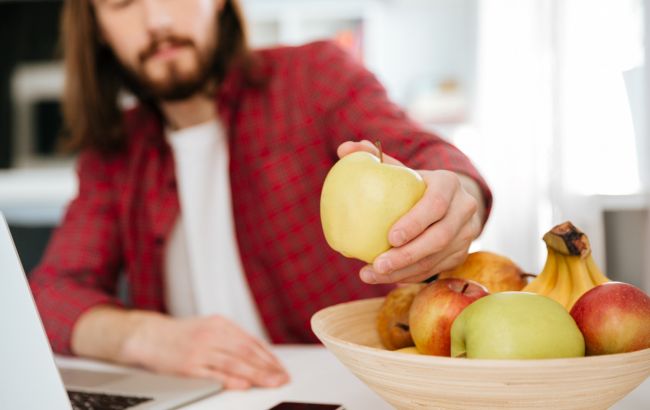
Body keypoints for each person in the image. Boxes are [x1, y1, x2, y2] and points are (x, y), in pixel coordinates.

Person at [29, 0, 492, 390]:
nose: (158, 22)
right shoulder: (112, 156)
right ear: (97, 28)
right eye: (122, 2)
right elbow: (52, 293)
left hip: (344, 392)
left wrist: (455, 198)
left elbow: (425, 153)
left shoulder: (313, 77)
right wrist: (145, 336)